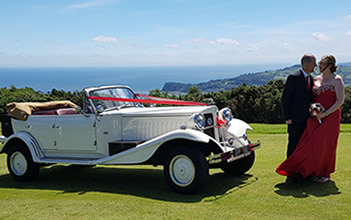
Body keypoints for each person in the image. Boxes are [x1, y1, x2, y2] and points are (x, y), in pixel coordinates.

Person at [276, 55, 345, 183]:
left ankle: (322, 172)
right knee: (307, 145)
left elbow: (340, 100)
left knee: (325, 145)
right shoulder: (313, 79)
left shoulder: (336, 79)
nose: (318, 65)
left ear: (329, 65)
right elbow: (287, 99)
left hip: (330, 117)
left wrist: (325, 114)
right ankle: (297, 173)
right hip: (312, 118)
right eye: (317, 63)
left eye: (321, 63)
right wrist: (288, 117)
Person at [281, 54, 316, 158]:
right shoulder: (294, 78)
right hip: (295, 120)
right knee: (293, 145)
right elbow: (285, 99)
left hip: (308, 119)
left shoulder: (312, 79)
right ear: (305, 65)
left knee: (304, 145)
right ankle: (290, 171)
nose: (315, 66)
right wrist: (287, 117)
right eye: (313, 64)